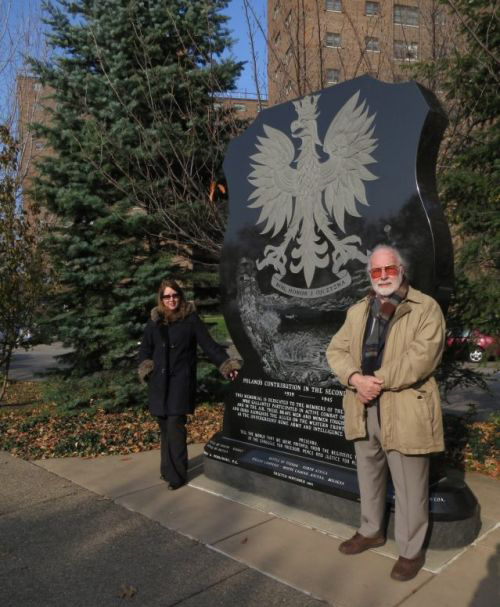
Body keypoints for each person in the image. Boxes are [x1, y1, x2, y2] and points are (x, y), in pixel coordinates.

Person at [326, 245, 445, 581]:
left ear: (401, 270)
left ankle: (410, 550)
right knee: (369, 474)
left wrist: (374, 381)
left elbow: (422, 358)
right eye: (376, 271)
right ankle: (371, 530)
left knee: (410, 486)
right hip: (362, 407)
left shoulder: (425, 309)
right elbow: (335, 350)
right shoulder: (358, 311)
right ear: (369, 275)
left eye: (388, 269)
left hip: (405, 407)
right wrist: (353, 378)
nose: (382, 277)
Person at [138, 279, 240, 490]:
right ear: (161, 298)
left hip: (179, 383)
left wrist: (227, 365)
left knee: (175, 425)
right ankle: (167, 469)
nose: (171, 300)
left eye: (175, 295)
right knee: (165, 426)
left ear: (180, 296)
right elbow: (144, 349)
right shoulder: (155, 321)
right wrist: (146, 369)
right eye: (167, 296)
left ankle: (177, 475)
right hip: (158, 384)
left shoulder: (190, 319)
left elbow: (210, 346)